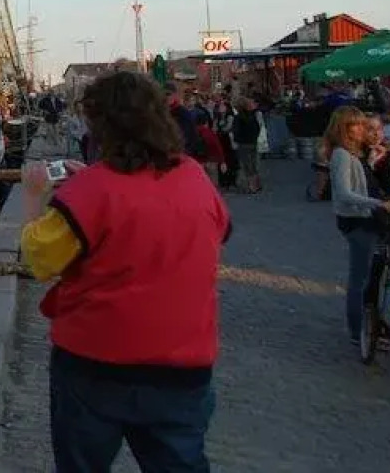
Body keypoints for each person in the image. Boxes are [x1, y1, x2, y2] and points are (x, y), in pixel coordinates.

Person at [20, 71, 229, 473]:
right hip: (182, 365)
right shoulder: (194, 179)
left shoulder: (90, 191)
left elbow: (38, 259)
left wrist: (33, 196)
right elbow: (215, 231)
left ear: (100, 126)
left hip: (95, 366)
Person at [326, 107, 390, 346]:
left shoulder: (355, 153)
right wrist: (378, 203)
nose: (363, 129)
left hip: (367, 219)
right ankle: (358, 330)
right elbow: (345, 193)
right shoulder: (341, 155)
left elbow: (364, 180)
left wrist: (372, 161)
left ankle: (370, 325)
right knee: (360, 278)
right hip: (357, 221)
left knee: (370, 276)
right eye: (356, 125)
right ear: (344, 128)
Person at [231, 97, 262, 193]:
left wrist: (237, 139)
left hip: (243, 143)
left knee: (246, 165)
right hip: (252, 142)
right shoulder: (252, 116)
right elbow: (257, 128)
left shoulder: (238, 118)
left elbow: (235, 131)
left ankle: (251, 186)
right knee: (253, 164)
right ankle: (257, 185)